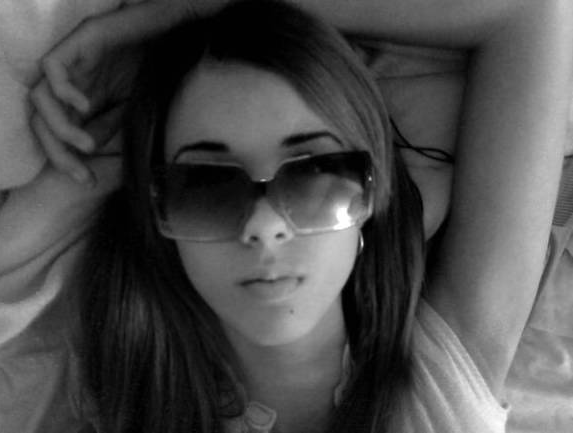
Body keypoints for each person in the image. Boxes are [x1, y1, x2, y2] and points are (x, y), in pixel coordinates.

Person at [47, 0, 571, 432]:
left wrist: (186, 11)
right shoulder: (123, 401)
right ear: (157, 210)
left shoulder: (440, 379)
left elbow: (532, 12)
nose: (264, 227)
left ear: (372, 191)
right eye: (207, 184)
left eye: (312, 171)